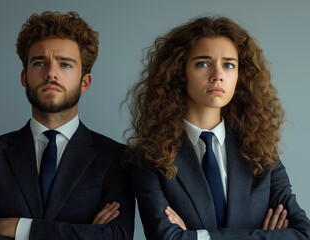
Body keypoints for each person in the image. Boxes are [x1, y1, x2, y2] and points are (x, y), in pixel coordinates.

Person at [0, 11, 134, 240]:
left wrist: (21, 228)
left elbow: (117, 236)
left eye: (65, 65)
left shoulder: (116, 158)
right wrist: (88, 233)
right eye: (39, 63)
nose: (51, 73)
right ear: (24, 77)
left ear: (85, 82)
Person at [127, 16, 310, 239]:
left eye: (228, 65)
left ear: (239, 76)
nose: (217, 76)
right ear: (179, 72)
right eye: (202, 64)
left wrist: (200, 236)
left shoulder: (261, 151)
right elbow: (167, 237)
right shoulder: (148, 158)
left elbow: (303, 233)